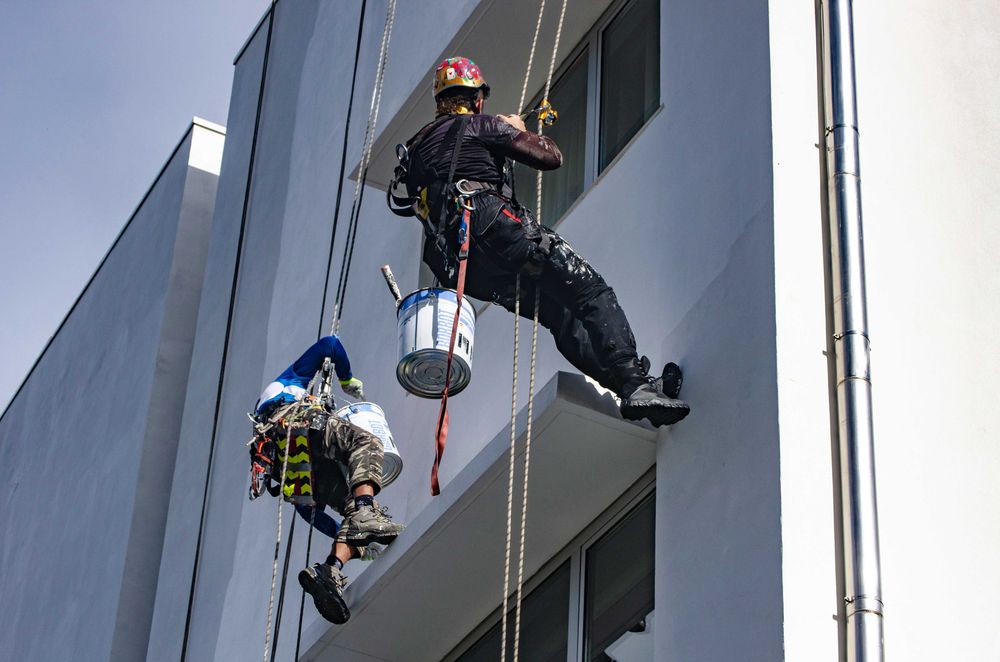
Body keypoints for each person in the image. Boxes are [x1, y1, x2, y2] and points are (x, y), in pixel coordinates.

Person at [388, 56, 690, 426]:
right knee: (589, 292)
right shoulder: (481, 125)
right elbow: (551, 158)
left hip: (466, 266)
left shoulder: (416, 149)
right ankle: (635, 384)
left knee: (560, 317)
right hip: (496, 227)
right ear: (477, 98)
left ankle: (635, 389)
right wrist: (510, 129)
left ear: (441, 102)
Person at [253, 335, 404, 624]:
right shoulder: (288, 382)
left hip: (290, 465)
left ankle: (330, 571)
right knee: (367, 444)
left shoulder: (263, 428)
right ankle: (364, 512)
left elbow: (309, 511)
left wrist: (340, 530)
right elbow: (329, 345)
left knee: (354, 515)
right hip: (297, 423)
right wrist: (347, 379)